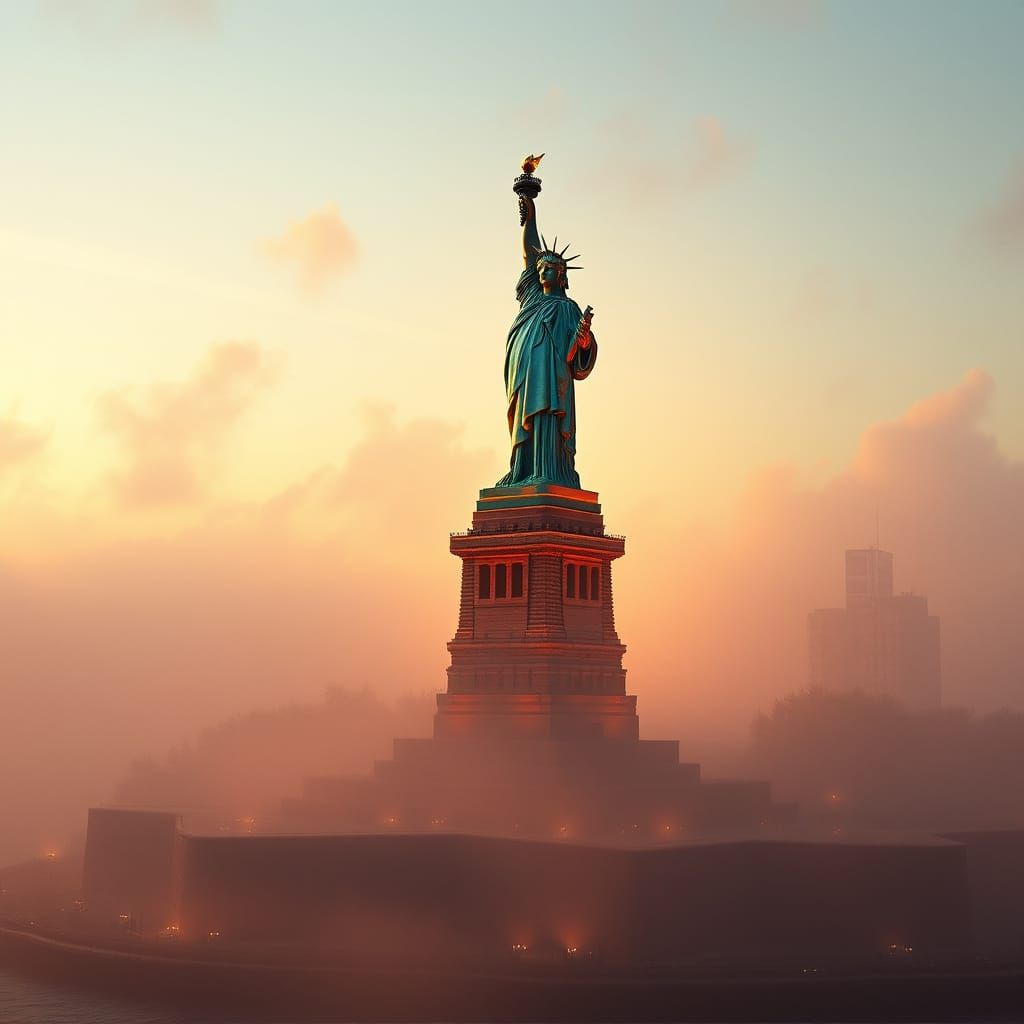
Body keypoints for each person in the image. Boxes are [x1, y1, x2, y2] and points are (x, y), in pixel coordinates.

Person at [497, 193, 597, 488]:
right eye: (541, 267)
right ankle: (522, 470)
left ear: (562, 275)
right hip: (525, 375)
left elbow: (580, 356)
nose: (542, 271)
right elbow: (529, 255)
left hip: (553, 380)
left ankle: (549, 471)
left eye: (550, 267)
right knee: (524, 423)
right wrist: (530, 216)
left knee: (547, 419)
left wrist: (584, 340)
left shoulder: (568, 308)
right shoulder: (531, 297)